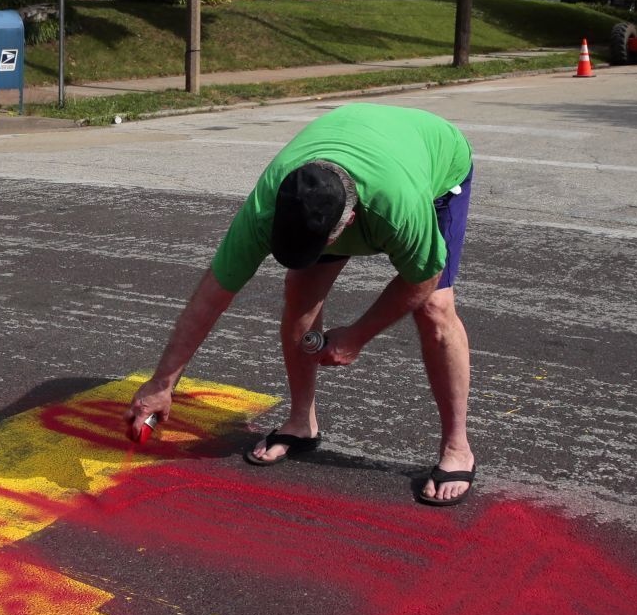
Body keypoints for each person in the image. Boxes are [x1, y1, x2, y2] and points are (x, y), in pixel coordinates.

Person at [126, 104, 477, 506]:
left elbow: (422, 278)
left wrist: (356, 337)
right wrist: (161, 384)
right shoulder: (267, 205)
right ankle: (301, 422)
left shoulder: (398, 207)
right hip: (357, 153)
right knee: (300, 291)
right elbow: (210, 298)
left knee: (434, 307)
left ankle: (457, 446)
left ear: (347, 223)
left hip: (435, 166)